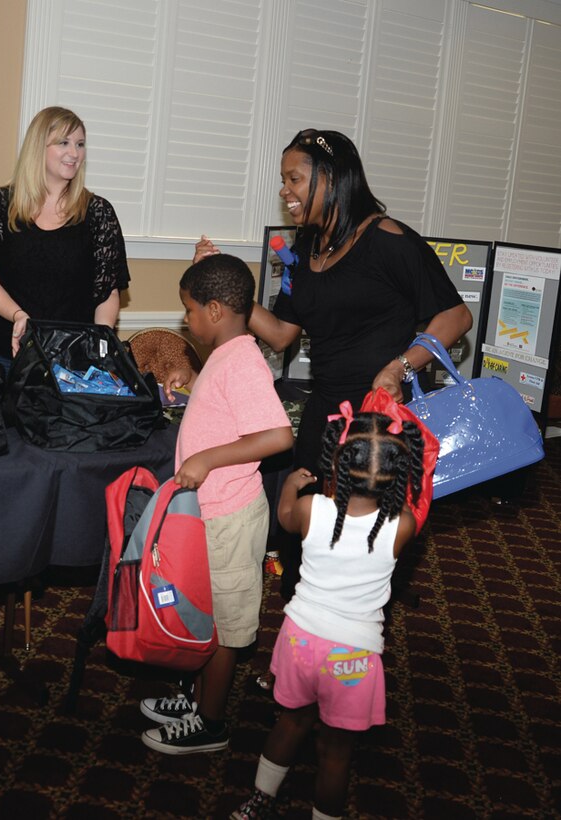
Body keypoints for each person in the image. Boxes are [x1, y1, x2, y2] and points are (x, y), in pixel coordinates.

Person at [195, 128, 471, 602]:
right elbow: (283, 332)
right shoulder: (305, 247)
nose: (285, 191)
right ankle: (302, 644)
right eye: (283, 180)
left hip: (375, 421)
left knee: (367, 547)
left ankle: (354, 651)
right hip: (325, 408)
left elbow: (456, 315)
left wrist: (401, 366)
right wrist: (229, 285)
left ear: (332, 178)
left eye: (294, 179)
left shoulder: (389, 240)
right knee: (305, 534)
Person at [231, 407, 423, 820]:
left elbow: (284, 517)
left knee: (290, 723)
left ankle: (260, 799)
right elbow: (414, 502)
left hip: (301, 641)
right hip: (353, 656)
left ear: (336, 463)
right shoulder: (401, 525)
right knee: (335, 754)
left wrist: (293, 486)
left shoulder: (311, 509)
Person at [138, 254, 293, 754]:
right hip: (212, 514)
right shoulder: (226, 354)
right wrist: (188, 389)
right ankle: (198, 697)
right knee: (205, 613)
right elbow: (225, 412)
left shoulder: (244, 361)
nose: (186, 320)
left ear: (216, 309)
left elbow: (276, 435)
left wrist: (207, 459)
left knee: (226, 627)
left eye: (189, 311)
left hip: (231, 517)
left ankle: (211, 723)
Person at [0, 106, 129, 373]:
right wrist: (20, 317)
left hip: (71, 361)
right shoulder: (0, 204)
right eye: (63, 142)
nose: (74, 153)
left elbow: (107, 292)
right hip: (4, 355)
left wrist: (99, 341)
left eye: (80, 144)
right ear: (39, 146)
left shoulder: (98, 213)